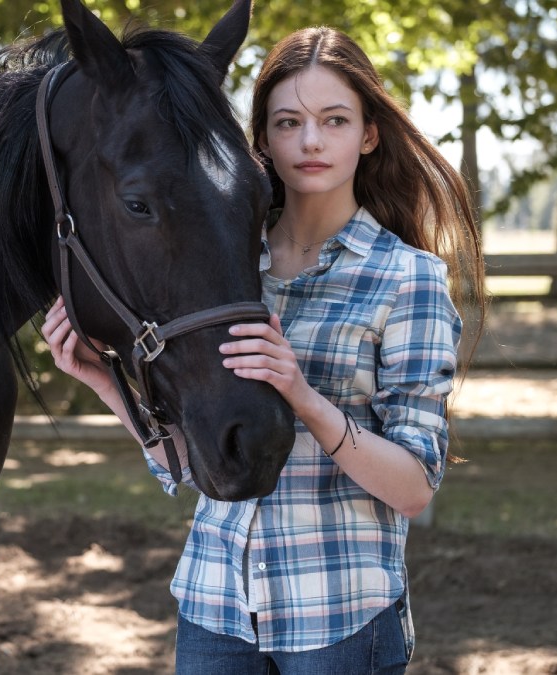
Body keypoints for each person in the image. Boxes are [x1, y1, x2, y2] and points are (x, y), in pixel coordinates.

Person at [42, 25, 484, 674]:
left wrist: (303, 396)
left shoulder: (407, 278)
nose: (309, 140)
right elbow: (199, 467)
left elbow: (416, 488)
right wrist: (107, 384)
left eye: (334, 120)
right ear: (261, 140)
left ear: (368, 134)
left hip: (338, 619)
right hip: (214, 609)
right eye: (287, 121)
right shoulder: (229, 266)